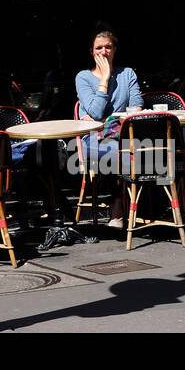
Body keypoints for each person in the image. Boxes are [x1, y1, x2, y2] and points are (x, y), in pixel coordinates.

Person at [75, 29, 143, 229]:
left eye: (108, 47)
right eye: (99, 48)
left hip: (123, 135)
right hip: (93, 139)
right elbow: (95, 113)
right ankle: (117, 211)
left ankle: (149, 207)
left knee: (157, 148)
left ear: (114, 50)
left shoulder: (127, 73)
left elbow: (137, 103)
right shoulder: (84, 77)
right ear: (91, 52)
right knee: (122, 154)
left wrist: (110, 119)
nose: (103, 52)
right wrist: (104, 79)